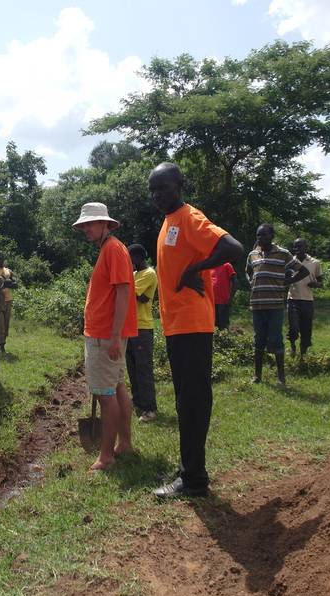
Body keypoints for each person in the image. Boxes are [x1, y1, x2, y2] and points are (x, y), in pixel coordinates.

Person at [148, 163, 244, 499]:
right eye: (153, 190)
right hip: (178, 327)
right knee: (185, 400)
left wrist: (197, 269)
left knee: (192, 401)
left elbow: (233, 248)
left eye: (162, 188)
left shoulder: (189, 217)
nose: (157, 195)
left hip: (192, 326)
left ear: (179, 185)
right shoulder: (168, 222)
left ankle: (193, 480)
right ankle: (191, 471)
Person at [73, 202, 138, 471]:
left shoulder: (113, 249)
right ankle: (124, 443)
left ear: (105, 224)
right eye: (84, 225)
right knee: (117, 387)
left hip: (104, 336)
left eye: (90, 224)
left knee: (105, 394)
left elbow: (123, 292)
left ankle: (106, 455)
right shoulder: (109, 249)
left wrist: (113, 337)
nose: (86, 229)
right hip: (103, 334)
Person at [246, 224, 310, 387]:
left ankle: (281, 378)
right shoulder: (252, 254)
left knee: (276, 340)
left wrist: (288, 281)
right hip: (256, 305)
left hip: (275, 305)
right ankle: (257, 376)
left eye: (263, 235)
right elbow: (248, 271)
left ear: (271, 236)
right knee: (258, 340)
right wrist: (252, 282)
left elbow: (303, 271)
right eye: (258, 235)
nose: (260, 238)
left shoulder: (283, 254)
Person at [126, 243, 158, 423]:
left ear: (137, 257)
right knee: (132, 367)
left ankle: (150, 408)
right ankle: (138, 402)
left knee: (143, 369)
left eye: (129, 258)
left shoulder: (149, 274)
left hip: (142, 327)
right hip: (130, 326)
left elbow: (129, 292)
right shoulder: (134, 274)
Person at [287, 238, 323, 357]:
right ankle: (292, 345)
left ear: (306, 248)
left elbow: (321, 282)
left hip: (307, 301)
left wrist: (315, 284)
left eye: (300, 247)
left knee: (306, 329)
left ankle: (303, 354)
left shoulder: (315, 263)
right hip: (293, 299)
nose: (297, 249)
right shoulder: (290, 261)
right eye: (295, 247)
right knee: (293, 327)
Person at [0, 255, 18, 353]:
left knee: (6, 323)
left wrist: (13, 283)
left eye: (1, 259)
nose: (0, 261)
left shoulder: (8, 270)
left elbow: (15, 280)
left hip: (8, 300)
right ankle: (0, 345)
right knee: (0, 324)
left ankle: (3, 344)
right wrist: (4, 284)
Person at [212, 262, 238, 330]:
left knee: (223, 326)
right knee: (212, 326)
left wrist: (230, 298)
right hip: (211, 302)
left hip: (223, 302)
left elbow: (235, 282)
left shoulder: (227, 265)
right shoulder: (210, 267)